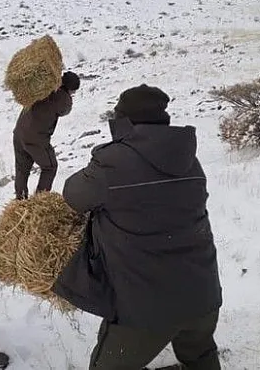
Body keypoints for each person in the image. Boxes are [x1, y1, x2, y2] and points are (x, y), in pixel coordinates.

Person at [53, 84, 223, 370]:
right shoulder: (190, 162)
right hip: (202, 297)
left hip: (145, 309)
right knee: (200, 358)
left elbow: (73, 196)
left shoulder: (113, 163)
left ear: (124, 122)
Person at [12, 71, 80, 199]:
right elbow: (64, 111)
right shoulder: (62, 97)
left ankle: (19, 202)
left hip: (19, 132)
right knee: (50, 167)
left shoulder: (44, 85)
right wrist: (67, 96)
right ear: (70, 89)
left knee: (22, 170)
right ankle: (39, 202)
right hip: (35, 138)